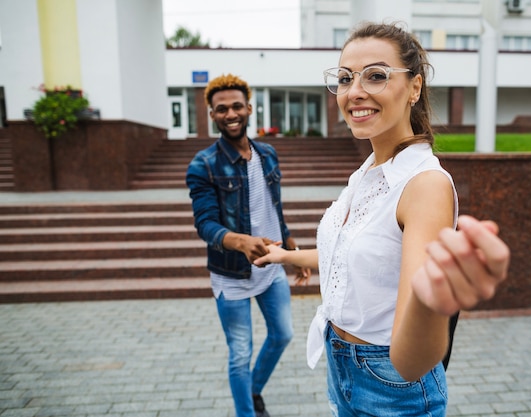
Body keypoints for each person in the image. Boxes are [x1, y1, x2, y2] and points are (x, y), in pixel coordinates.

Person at [253, 22, 510, 416]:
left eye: (376, 76)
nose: (354, 91)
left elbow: (410, 362)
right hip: (341, 363)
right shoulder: (369, 171)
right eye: (344, 78)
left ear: (415, 88)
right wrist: (285, 257)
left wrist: (434, 300)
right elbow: (351, 255)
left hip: (391, 385)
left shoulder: (423, 185)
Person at [186, 73, 310, 417]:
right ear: (212, 114)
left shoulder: (268, 154)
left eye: (236, 106)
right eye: (221, 108)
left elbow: (275, 210)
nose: (230, 113)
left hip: (270, 267)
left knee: (283, 334)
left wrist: (293, 253)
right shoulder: (203, 165)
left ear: (249, 108)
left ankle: (252, 391)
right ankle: (247, 412)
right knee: (240, 352)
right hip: (232, 273)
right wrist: (241, 243)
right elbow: (206, 224)